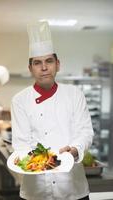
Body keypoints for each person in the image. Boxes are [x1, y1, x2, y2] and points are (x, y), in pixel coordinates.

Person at [11, 21, 94, 200]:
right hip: (36, 191)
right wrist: (38, 162)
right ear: (30, 68)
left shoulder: (75, 94)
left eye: (49, 61)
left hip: (73, 189)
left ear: (58, 64)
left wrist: (74, 149)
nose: (44, 67)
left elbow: (85, 132)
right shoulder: (19, 100)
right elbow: (21, 144)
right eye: (37, 63)